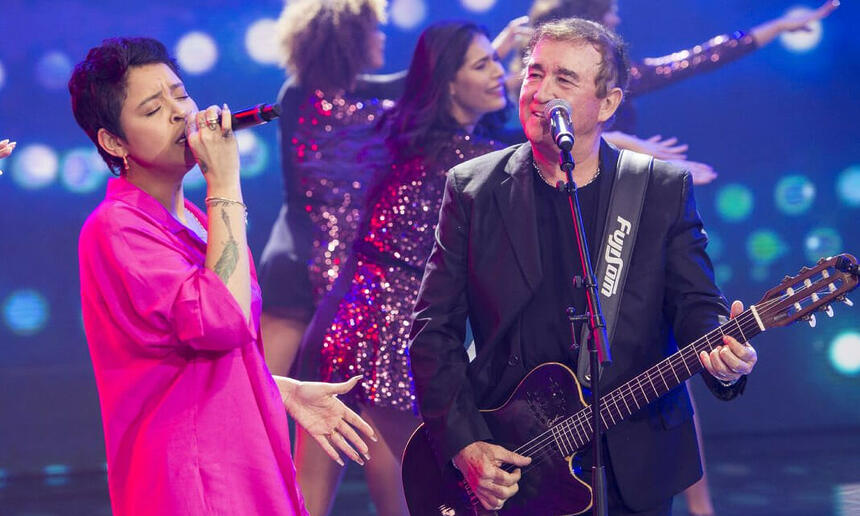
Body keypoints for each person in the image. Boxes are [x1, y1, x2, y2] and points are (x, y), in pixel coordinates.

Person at [409, 18, 758, 516]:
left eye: (563, 80)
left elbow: (697, 308)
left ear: (609, 103)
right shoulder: (472, 189)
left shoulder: (660, 188)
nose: (539, 92)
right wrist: (465, 444)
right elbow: (432, 332)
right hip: (516, 463)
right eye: (533, 73)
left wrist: (725, 356)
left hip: (636, 460)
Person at [70, 37, 376, 516]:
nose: (179, 114)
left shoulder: (193, 216)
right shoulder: (117, 228)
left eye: (180, 94)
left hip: (237, 457)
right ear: (113, 141)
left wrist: (275, 386)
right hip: (194, 480)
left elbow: (193, 352)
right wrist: (226, 182)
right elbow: (221, 321)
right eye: (152, 109)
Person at [294, 20, 508, 516]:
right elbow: (528, 157)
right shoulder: (458, 155)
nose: (500, 73)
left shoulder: (425, 139)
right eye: (483, 65)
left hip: (346, 321)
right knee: (429, 484)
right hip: (382, 330)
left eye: (496, 61)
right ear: (450, 83)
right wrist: (623, 154)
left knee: (316, 491)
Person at [509, 0, 840, 187]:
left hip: (609, 192)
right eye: (610, 9)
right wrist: (628, 147)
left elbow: (700, 59)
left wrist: (778, 27)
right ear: (590, 18)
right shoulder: (522, 88)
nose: (617, 16)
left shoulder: (622, 77)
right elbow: (529, 146)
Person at [259, 0, 402, 380]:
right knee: (261, 396)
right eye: (373, 29)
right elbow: (415, 86)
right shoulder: (304, 96)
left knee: (310, 406)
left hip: (315, 267)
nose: (381, 37)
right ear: (349, 38)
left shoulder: (301, 93)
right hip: (303, 266)